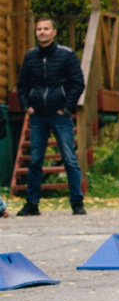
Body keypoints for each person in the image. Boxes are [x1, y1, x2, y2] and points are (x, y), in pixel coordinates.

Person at [15, 16, 85, 217]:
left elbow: (78, 83)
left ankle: (77, 202)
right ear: (35, 32)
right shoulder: (30, 57)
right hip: (38, 116)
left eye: (46, 29)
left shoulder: (66, 55)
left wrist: (66, 107)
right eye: (39, 29)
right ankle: (32, 204)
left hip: (59, 115)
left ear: (54, 32)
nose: (42, 32)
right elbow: (22, 85)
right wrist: (27, 106)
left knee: (69, 159)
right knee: (35, 160)